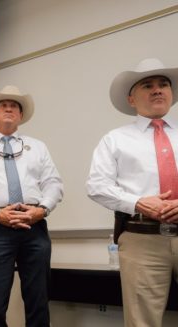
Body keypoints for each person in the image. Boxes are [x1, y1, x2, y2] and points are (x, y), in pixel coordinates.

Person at [0, 85, 63, 327]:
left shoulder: (38, 147)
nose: (9, 108)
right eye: (3, 105)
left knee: (38, 298)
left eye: (14, 106)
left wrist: (42, 209)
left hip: (34, 227)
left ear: (20, 116)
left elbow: (54, 184)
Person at [87, 58, 178, 327]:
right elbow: (96, 186)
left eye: (163, 84)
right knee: (142, 322)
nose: (157, 89)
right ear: (131, 99)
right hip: (142, 239)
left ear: (171, 94)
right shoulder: (114, 139)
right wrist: (137, 202)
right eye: (147, 85)